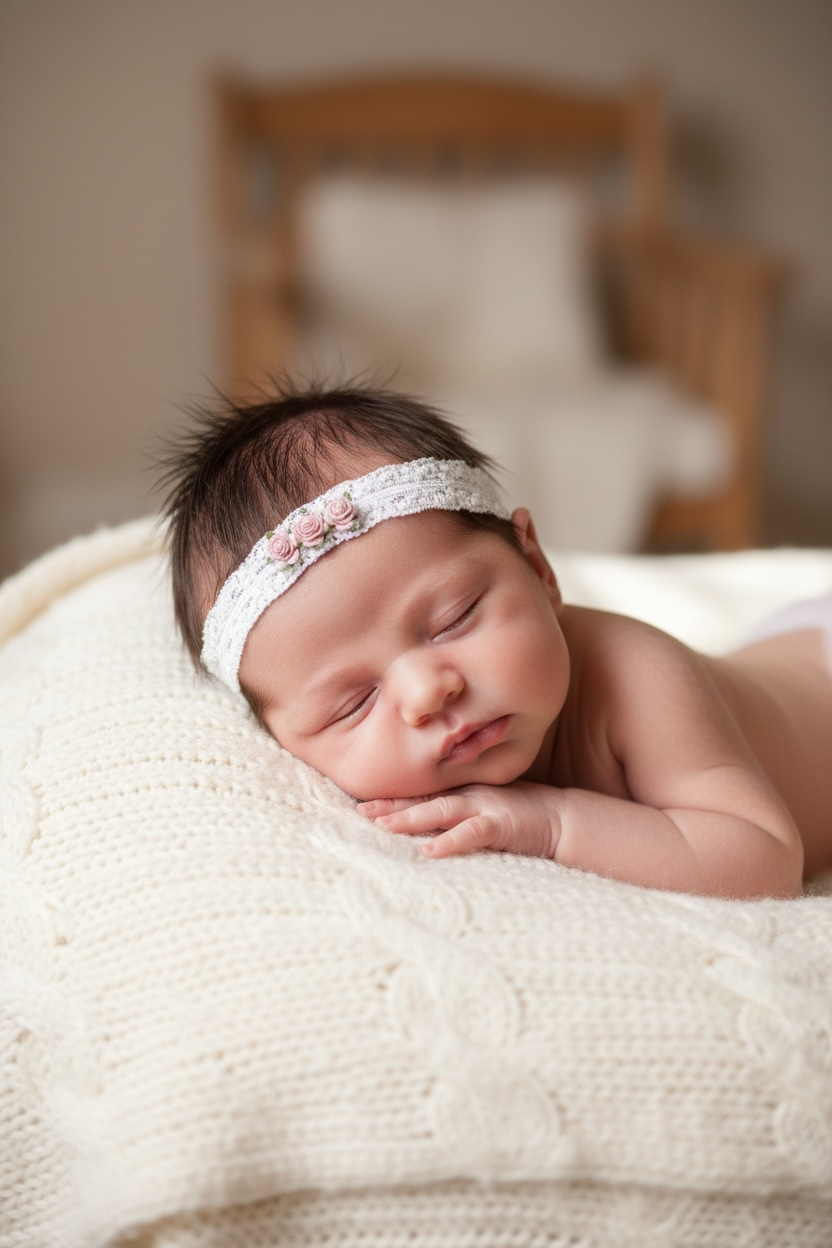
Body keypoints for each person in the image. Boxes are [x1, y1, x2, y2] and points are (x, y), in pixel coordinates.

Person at [161, 383, 832, 900]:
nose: (427, 692)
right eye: (352, 704)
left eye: (454, 617)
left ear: (539, 567)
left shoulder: (636, 675)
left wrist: (552, 823)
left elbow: (764, 856)